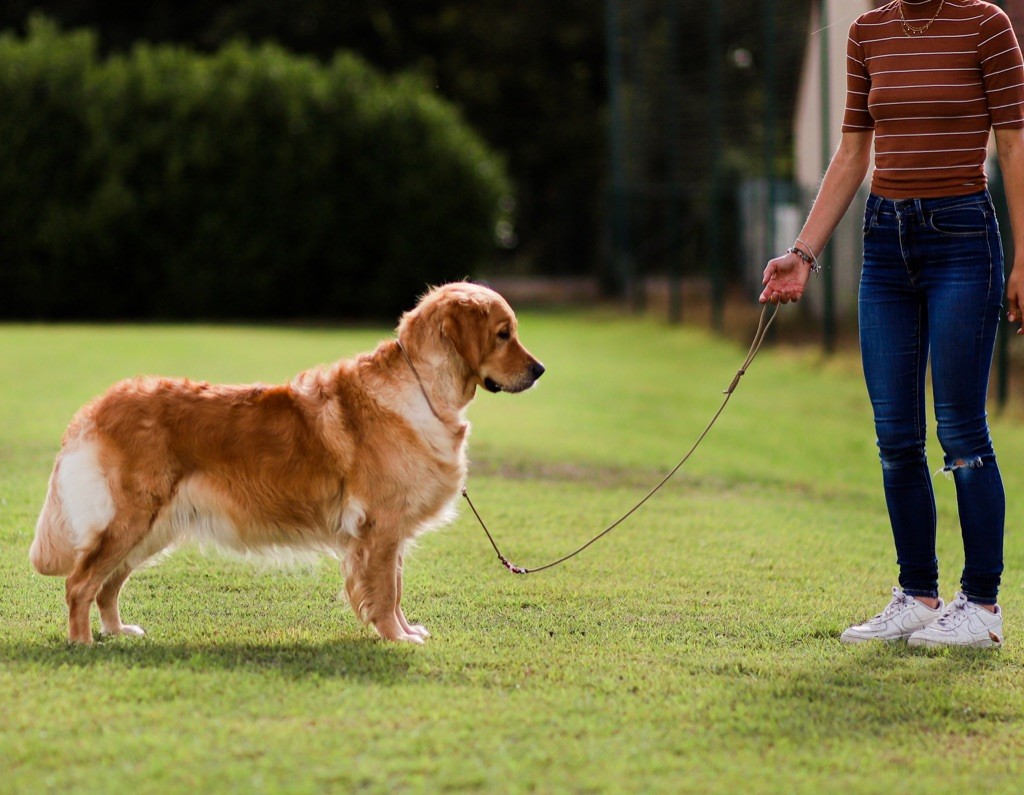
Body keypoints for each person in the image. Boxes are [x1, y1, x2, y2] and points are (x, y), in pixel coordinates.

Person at [760, 0, 1024, 648]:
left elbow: (1015, 146)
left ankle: (982, 605)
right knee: (895, 436)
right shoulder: (867, 33)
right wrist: (802, 253)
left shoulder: (987, 26)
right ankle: (918, 594)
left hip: (963, 238)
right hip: (884, 244)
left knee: (961, 428)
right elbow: (852, 153)